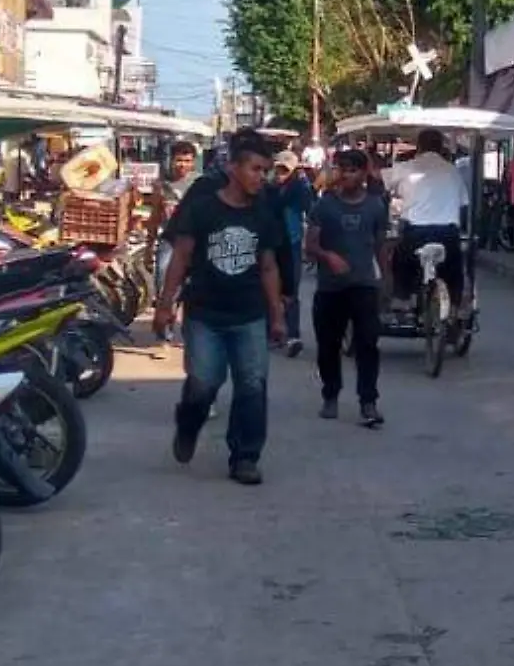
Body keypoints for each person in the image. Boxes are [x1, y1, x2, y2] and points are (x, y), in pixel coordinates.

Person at [154, 135, 287, 486]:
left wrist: (277, 316)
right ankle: (188, 424)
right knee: (203, 384)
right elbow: (180, 257)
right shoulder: (203, 207)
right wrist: (165, 306)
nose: (261, 177)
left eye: (266, 171)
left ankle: (245, 457)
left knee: (252, 386)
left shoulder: (263, 212)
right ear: (234, 169)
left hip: (249, 314)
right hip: (204, 314)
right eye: (255, 169)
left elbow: (269, 266)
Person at [308, 149, 391, 427]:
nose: (346, 175)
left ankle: (368, 401)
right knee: (328, 346)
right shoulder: (325, 206)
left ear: (363, 173)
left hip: (364, 285)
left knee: (368, 343)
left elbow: (381, 245)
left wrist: (386, 281)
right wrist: (327, 256)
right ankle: (330, 394)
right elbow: (310, 247)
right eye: (341, 169)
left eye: (352, 169)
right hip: (330, 288)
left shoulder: (375, 206)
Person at [383, 128, 468, 315]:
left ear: (418, 146)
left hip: (416, 232)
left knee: (401, 258)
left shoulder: (406, 167)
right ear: (440, 147)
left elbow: (383, 182)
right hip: (448, 232)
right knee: (454, 268)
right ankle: (456, 307)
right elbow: (463, 203)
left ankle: (402, 298)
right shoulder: (452, 171)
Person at [151, 142, 203, 346]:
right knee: (164, 283)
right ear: (172, 161)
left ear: (193, 162)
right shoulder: (162, 185)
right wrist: (149, 246)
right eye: (179, 160)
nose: (182, 164)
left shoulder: (201, 184)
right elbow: (155, 216)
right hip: (169, 241)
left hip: (196, 243)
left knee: (194, 289)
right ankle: (164, 336)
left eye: (187, 160)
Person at [268, 149, 315, 357]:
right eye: (277, 169)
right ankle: (273, 332)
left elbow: (311, 212)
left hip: (292, 243)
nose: (280, 173)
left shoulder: (300, 189)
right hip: (269, 243)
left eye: (284, 170)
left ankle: (293, 335)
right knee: (268, 290)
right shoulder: (266, 188)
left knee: (291, 292)